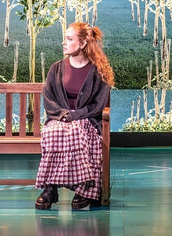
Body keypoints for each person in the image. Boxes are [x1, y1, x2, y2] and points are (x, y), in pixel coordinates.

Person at [34, 21, 114, 210]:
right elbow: (49, 98)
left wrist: (77, 115)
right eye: (65, 39)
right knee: (53, 133)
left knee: (77, 132)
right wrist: (62, 115)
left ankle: (83, 189)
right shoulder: (56, 68)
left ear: (83, 43)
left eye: (69, 39)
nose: (64, 43)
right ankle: (50, 188)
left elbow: (98, 104)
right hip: (59, 119)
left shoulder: (98, 70)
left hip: (86, 120)